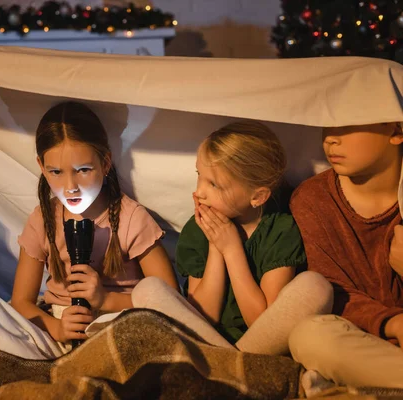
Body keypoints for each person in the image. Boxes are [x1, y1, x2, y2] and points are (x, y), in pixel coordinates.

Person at [0, 101, 178, 358]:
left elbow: (169, 299)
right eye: (56, 172)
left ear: (105, 163)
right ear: (42, 167)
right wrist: (57, 328)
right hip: (60, 326)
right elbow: (22, 302)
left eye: (83, 170)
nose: (70, 186)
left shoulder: (131, 218)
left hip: (122, 320)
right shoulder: (44, 219)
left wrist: (105, 300)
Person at [131, 121, 333, 356]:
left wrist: (232, 250)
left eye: (214, 184)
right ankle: (232, 365)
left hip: (261, 346)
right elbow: (205, 315)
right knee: (146, 289)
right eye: (200, 176)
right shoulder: (197, 229)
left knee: (315, 286)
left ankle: (226, 366)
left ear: (258, 196)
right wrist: (217, 247)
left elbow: (261, 321)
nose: (199, 192)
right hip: (207, 339)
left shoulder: (279, 229)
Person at [289, 123, 403, 391]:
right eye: (327, 125)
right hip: (365, 345)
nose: (330, 139)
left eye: (349, 126)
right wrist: (395, 323)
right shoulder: (313, 199)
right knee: (308, 335)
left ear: (396, 131)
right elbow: (333, 290)